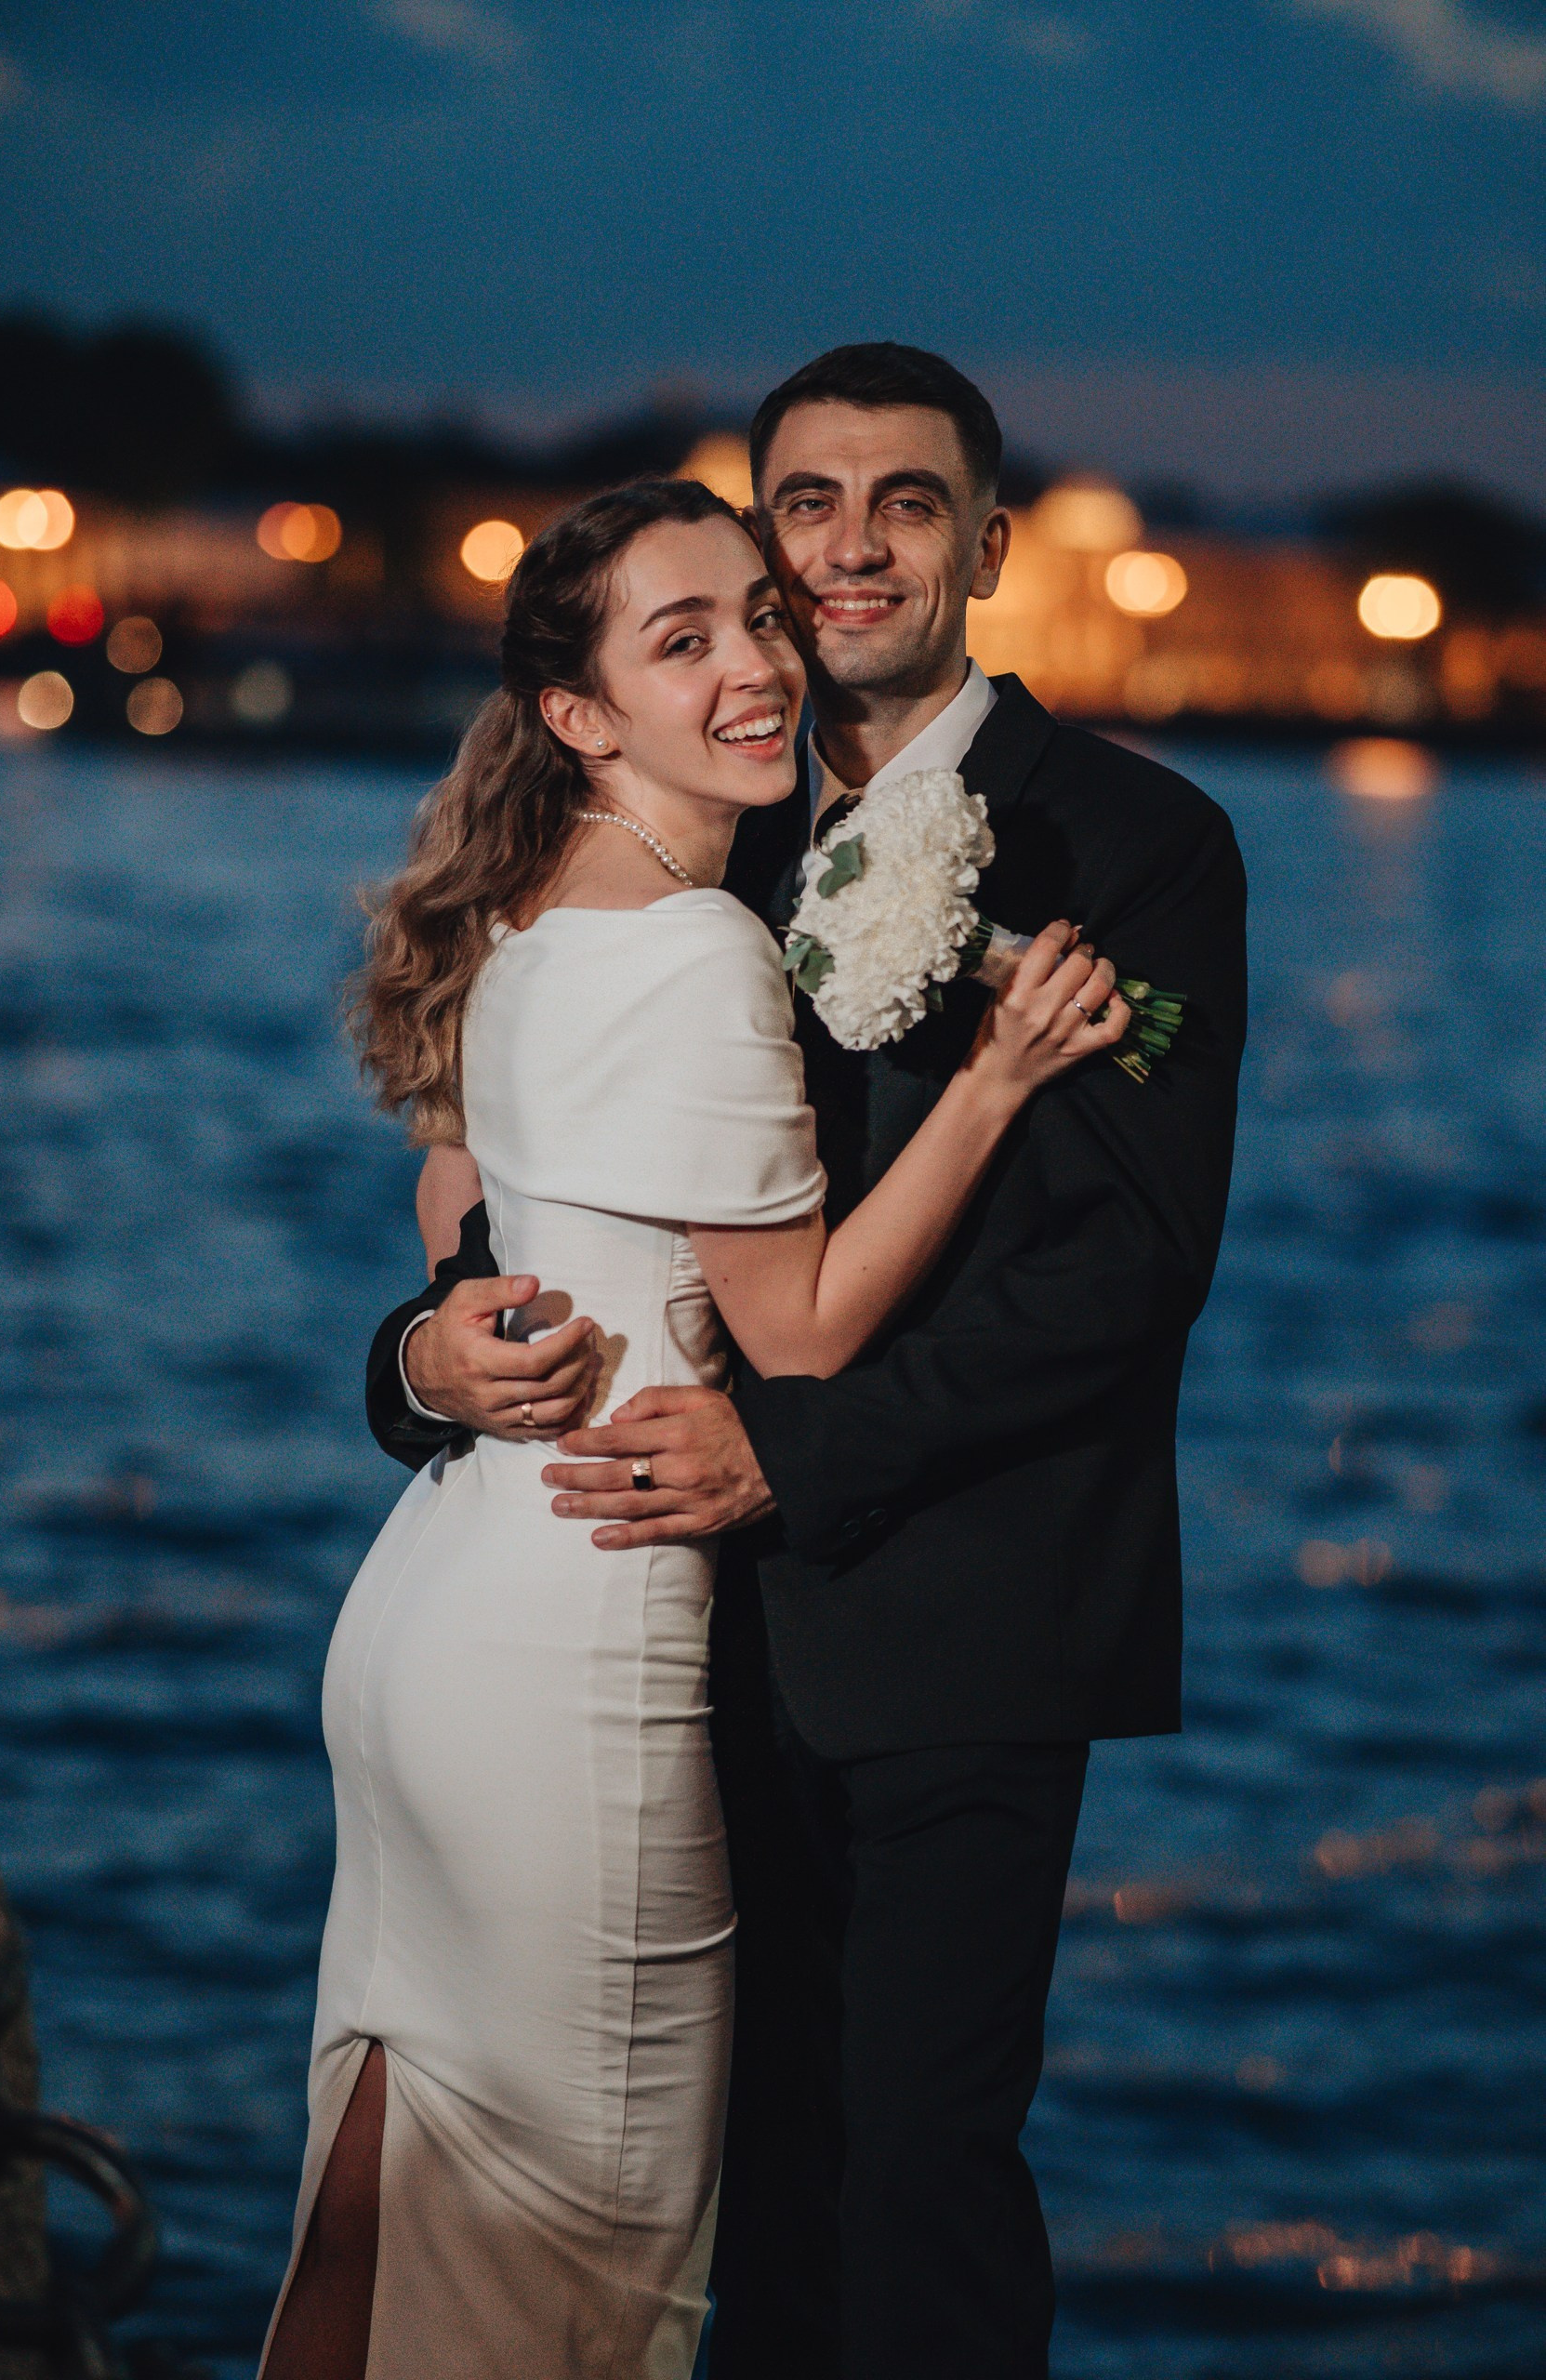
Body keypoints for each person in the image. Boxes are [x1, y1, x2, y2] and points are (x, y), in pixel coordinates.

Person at [370, 345, 1248, 2380]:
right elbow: (529, 1203)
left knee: (918, 2183)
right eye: (808, 506)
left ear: (988, 546)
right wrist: (417, 1360)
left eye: (906, 502)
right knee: (736, 2191)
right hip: (669, 1627)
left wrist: (789, 1448)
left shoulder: (1134, 840)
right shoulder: (711, 807)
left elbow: (1128, 1269)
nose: (851, 548)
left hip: (962, 1612)